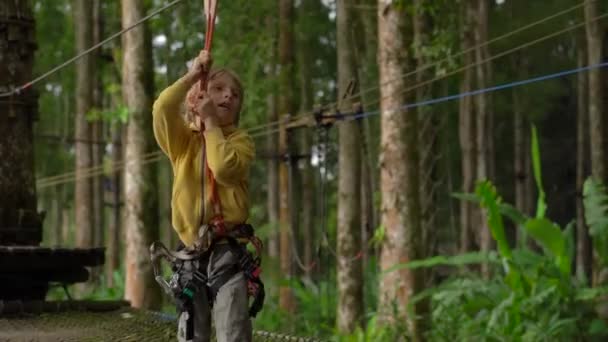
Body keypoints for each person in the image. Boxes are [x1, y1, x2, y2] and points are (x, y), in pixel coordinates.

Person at [152, 49, 255, 342]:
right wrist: (194, 75)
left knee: (232, 330)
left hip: (228, 251)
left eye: (234, 95)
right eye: (218, 89)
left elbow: (223, 168)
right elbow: (162, 108)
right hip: (190, 253)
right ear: (198, 99)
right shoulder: (183, 142)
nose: (227, 96)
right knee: (192, 332)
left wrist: (211, 124)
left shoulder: (241, 141)